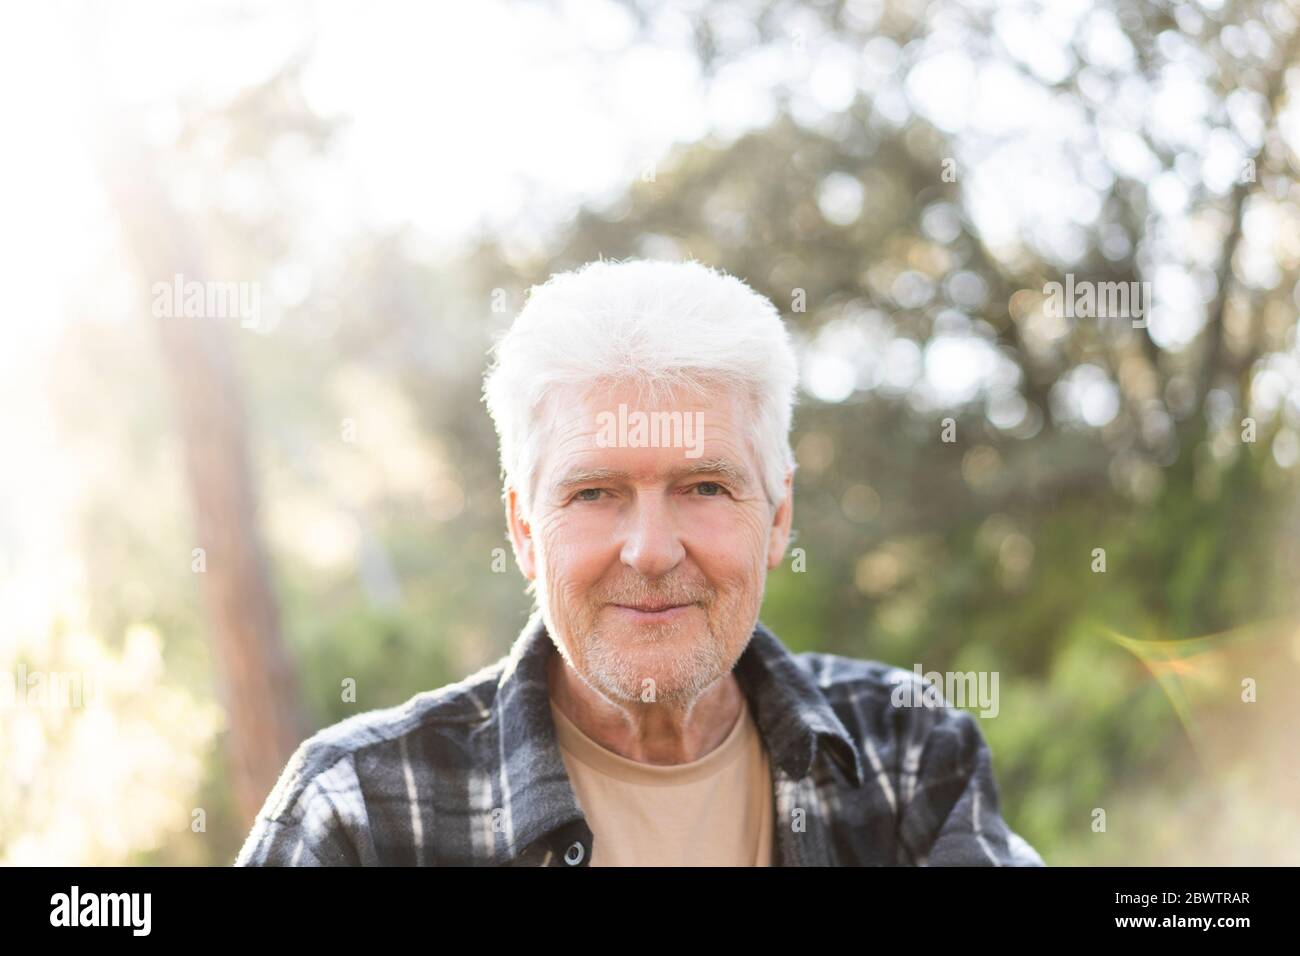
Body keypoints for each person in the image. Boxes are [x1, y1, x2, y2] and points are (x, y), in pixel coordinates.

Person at [235, 258, 1044, 866]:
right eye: (594, 493)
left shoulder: (909, 751)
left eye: (703, 486)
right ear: (524, 529)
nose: (652, 551)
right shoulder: (358, 814)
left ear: (778, 517)